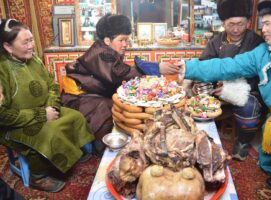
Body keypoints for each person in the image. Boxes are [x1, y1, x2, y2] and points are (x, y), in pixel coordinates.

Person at [176, 0, 271, 190]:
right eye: (262, 24)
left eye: (267, 23)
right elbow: (228, 66)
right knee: (269, 159)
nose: (262, 29)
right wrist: (189, 67)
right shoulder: (262, 52)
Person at [61, 14, 180, 153]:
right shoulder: (101, 53)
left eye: (127, 40)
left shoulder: (106, 50)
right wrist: (155, 68)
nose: (125, 44)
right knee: (112, 107)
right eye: (121, 40)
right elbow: (118, 74)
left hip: (92, 92)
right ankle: (101, 145)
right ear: (107, 40)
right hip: (78, 98)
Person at [0, 18, 95, 192]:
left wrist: (52, 107)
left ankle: (71, 152)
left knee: (76, 116)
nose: (31, 46)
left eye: (31, 40)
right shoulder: (2, 70)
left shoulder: (34, 59)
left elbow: (52, 84)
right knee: (48, 133)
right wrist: (42, 115)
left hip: (46, 109)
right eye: (25, 42)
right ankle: (38, 176)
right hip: (15, 125)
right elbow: (2, 115)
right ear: (8, 47)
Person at [195, 0, 265, 161]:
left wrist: (233, 88)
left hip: (248, 89)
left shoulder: (256, 42)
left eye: (240, 24)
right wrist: (213, 84)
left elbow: (260, 74)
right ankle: (202, 138)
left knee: (249, 107)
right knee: (196, 98)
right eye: (231, 24)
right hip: (218, 88)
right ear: (223, 23)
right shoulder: (216, 41)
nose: (235, 29)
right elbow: (205, 64)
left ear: (248, 22)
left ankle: (243, 141)